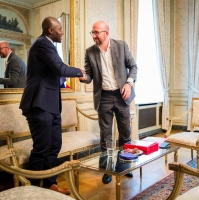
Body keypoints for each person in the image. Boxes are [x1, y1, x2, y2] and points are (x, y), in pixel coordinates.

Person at [19, 16, 86, 195]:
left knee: (54, 145)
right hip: (38, 103)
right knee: (42, 148)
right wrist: (80, 71)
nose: (62, 32)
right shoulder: (42, 44)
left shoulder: (48, 45)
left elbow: (57, 69)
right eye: (60, 29)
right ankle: (32, 189)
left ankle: (49, 184)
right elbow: (60, 69)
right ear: (51, 30)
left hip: (50, 104)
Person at [80, 21, 138, 184]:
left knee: (125, 134)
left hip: (122, 95)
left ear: (106, 32)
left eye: (97, 32)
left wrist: (129, 83)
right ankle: (107, 169)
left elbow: (133, 67)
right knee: (105, 136)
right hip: (103, 96)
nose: (94, 36)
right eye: (92, 32)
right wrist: (84, 77)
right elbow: (90, 75)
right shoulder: (90, 52)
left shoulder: (121, 46)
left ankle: (125, 165)